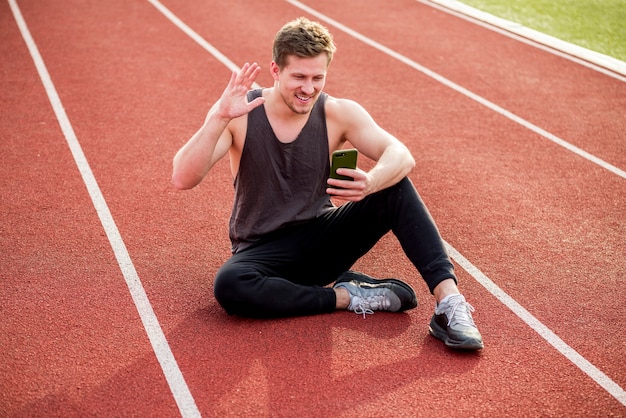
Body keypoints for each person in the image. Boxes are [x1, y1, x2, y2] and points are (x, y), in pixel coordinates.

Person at [172, 17, 483, 350]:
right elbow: (183, 177)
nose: (308, 88)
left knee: (395, 187)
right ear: (275, 71)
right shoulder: (241, 113)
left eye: (317, 77)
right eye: (299, 77)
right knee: (230, 285)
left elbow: (401, 154)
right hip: (263, 254)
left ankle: (448, 304)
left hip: (322, 241)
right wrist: (219, 118)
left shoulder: (337, 112)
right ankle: (347, 297)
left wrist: (371, 181)